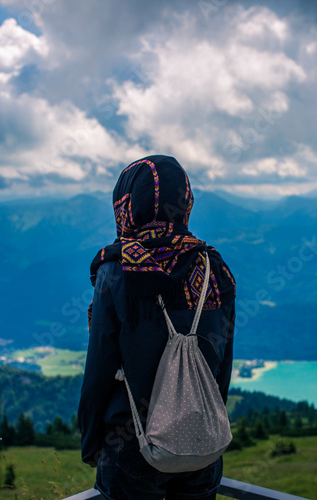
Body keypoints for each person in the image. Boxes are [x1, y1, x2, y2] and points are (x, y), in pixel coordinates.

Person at [78, 155, 236, 500]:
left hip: (131, 441)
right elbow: (221, 362)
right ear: (185, 200)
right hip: (200, 441)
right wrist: (208, 423)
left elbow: (100, 368)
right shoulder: (215, 268)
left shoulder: (116, 272)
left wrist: (90, 442)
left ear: (128, 205)